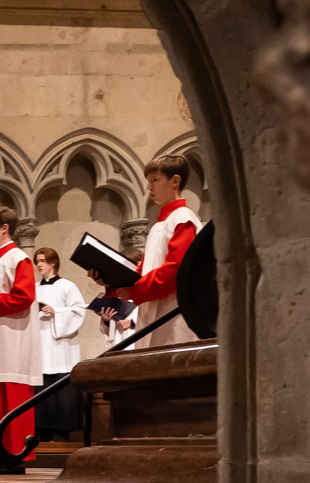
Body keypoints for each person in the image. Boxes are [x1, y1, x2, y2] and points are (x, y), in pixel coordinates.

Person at [0, 205, 43, 474]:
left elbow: (23, 298)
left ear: (5, 228)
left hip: (11, 339)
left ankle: (13, 457)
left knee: (10, 396)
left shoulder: (19, 258)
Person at [110, 149, 201, 347]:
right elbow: (142, 271)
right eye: (149, 181)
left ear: (175, 181)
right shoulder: (161, 223)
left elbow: (175, 271)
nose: (149, 187)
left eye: (155, 180)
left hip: (173, 315)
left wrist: (134, 292)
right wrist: (108, 277)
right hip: (155, 311)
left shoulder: (183, 219)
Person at [32, 246, 88, 443]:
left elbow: (79, 310)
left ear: (53, 262)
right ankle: (41, 430)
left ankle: (61, 432)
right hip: (40, 341)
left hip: (61, 344)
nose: (38, 265)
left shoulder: (67, 286)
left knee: (59, 385)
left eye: (42, 261)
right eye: (37, 261)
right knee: (41, 385)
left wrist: (56, 311)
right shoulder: (34, 288)